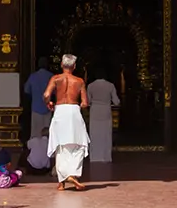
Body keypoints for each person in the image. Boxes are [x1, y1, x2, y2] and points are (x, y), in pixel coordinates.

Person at [43, 53, 90, 191]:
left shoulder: (55, 78)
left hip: (60, 111)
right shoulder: (79, 81)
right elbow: (85, 103)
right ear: (74, 66)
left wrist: (49, 103)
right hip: (74, 110)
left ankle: (62, 181)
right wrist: (81, 106)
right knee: (78, 143)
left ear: (61, 65)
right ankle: (72, 174)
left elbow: (46, 95)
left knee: (60, 144)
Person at [87, 67, 120, 165]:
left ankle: (95, 157)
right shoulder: (110, 86)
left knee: (94, 133)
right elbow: (116, 101)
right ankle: (106, 156)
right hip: (106, 111)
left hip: (95, 111)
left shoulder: (90, 86)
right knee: (106, 133)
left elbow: (88, 101)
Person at [25, 56, 54, 140]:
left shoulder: (33, 76)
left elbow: (26, 90)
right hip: (47, 108)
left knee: (35, 133)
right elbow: (55, 92)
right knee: (47, 134)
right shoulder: (51, 77)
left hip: (36, 108)